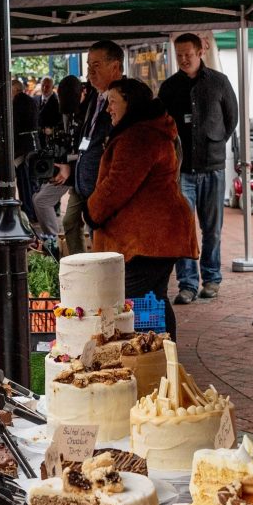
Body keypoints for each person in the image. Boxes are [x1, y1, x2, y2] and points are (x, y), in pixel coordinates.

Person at [85, 78, 197, 339]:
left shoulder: (138, 136)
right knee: (153, 298)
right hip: (153, 235)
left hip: (148, 239)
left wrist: (91, 213)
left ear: (130, 103)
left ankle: (151, 360)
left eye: (112, 102)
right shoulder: (143, 129)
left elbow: (117, 185)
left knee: (136, 300)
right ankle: (165, 359)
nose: (107, 109)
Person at [158, 33, 238, 303]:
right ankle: (188, 284)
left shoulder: (219, 82)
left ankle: (212, 278)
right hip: (182, 170)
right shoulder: (169, 87)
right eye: (179, 54)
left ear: (201, 51)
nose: (183, 59)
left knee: (212, 228)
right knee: (183, 228)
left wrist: (215, 142)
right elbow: (161, 126)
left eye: (188, 54)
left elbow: (231, 118)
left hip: (213, 166)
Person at [56, 40, 124, 256]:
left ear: (115, 67)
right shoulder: (95, 96)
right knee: (70, 222)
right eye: (88, 66)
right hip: (82, 175)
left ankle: (96, 271)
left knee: (99, 232)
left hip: (101, 181)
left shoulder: (123, 96)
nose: (90, 73)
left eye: (96, 66)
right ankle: (83, 265)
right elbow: (86, 134)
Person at [32, 75, 84, 241]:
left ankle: (53, 242)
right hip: (70, 168)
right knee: (40, 200)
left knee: (42, 201)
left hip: (77, 170)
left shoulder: (82, 114)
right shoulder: (71, 112)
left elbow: (86, 148)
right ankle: (54, 242)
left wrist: (67, 162)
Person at [12, 77, 39, 222]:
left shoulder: (17, 103)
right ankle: (34, 212)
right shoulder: (32, 101)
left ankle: (29, 212)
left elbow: (15, 126)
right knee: (32, 181)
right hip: (33, 145)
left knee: (25, 182)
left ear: (14, 90)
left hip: (22, 149)